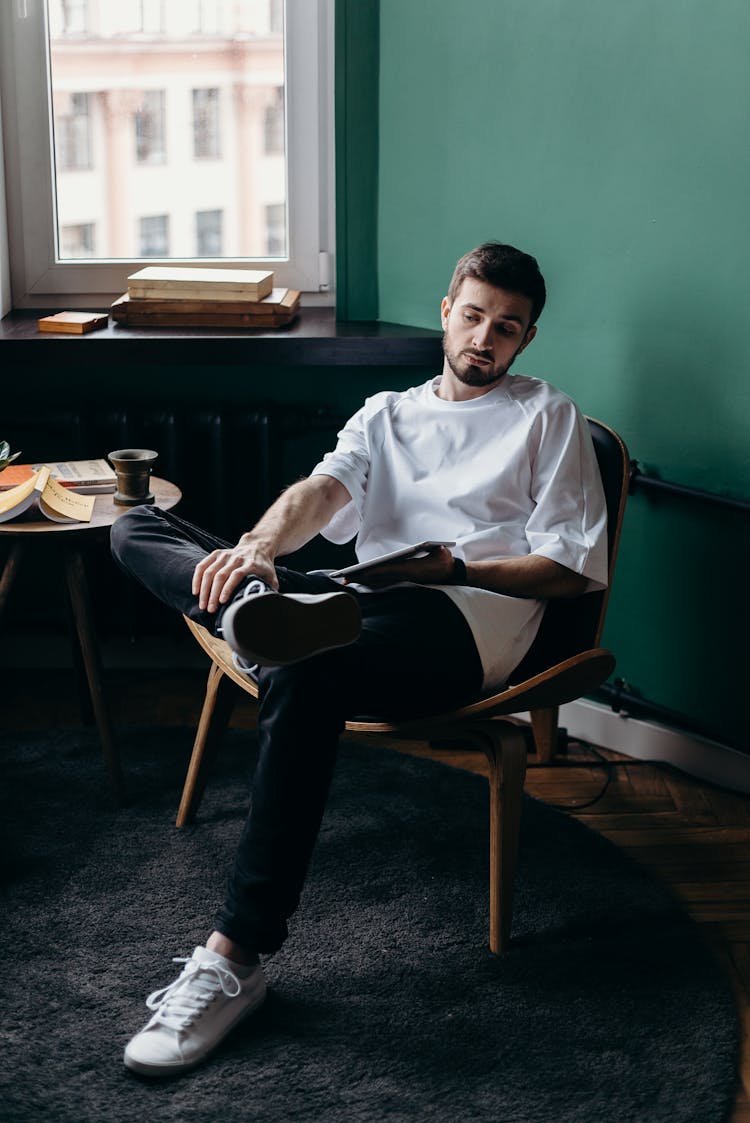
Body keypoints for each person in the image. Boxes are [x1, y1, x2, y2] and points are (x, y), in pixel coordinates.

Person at [111, 241, 608, 1077]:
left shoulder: (544, 417)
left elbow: (569, 567)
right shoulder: (386, 412)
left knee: (310, 662)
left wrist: (456, 565)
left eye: (509, 328)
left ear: (526, 340)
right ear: (446, 310)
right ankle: (253, 606)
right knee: (133, 524)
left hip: (458, 619)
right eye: (476, 315)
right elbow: (323, 491)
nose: (487, 338)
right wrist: (260, 548)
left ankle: (235, 956)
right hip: (356, 602)